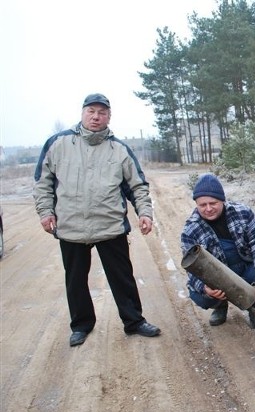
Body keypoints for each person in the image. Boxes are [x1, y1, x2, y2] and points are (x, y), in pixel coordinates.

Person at [33, 93, 161, 347]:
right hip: (71, 226)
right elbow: (42, 182)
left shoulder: (119, 150)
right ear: (82, 113)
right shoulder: (58, 144)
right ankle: (81, 325)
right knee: (76, 280)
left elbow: (138, 186)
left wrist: (144, 213)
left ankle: (134, 322)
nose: (96, 116)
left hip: (110, 225)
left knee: (122, 277)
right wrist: (45, 211)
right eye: (91, 111)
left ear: (109, 117)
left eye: (102, 112)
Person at [181, 174, 255, 330]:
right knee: (199, 295)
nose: (208, 209)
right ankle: (220, 305)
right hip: (217, 278)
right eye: (202, 205)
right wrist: (205, 288)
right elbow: (192, 269)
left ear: (222, 200)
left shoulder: (243, 212)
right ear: (196, 204)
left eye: (213, 203)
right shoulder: (190, 230)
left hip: (245, 268)